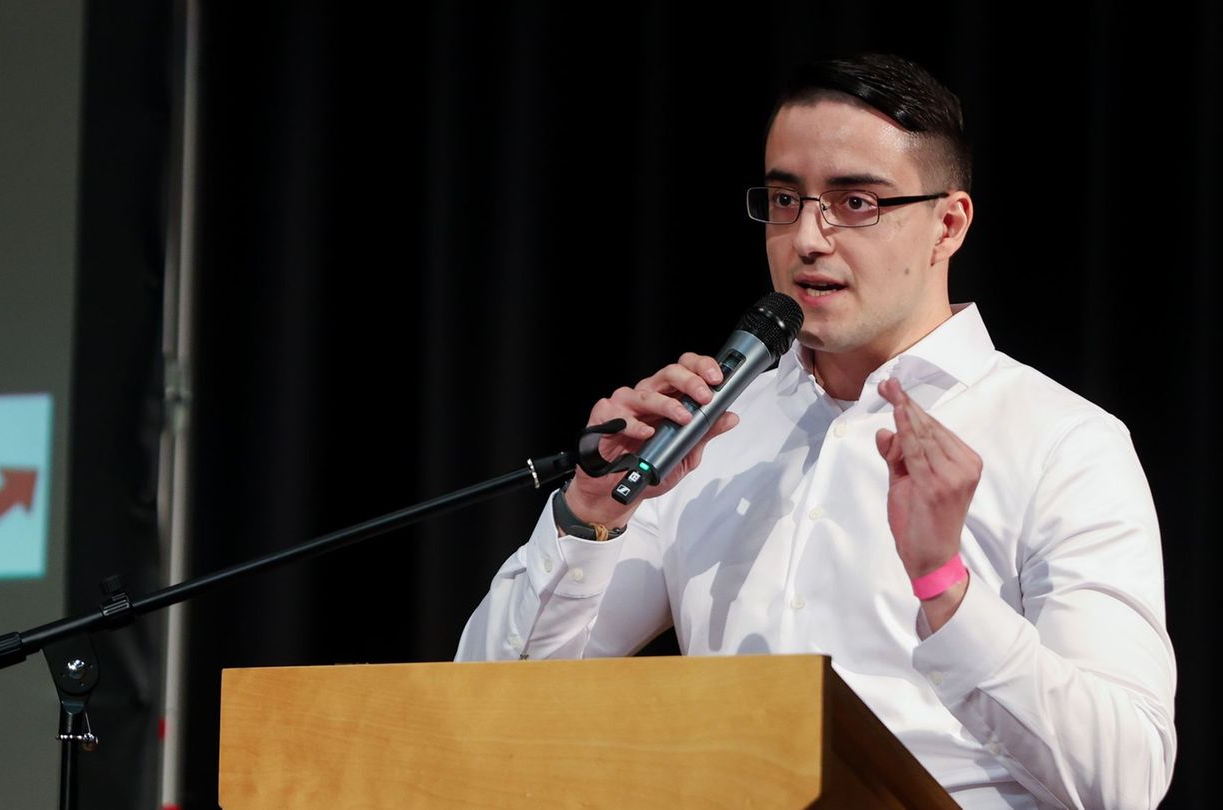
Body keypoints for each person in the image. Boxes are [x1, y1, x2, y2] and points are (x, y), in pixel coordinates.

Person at [455, 53, 1176, 809]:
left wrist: (946, 587)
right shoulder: (708, 435)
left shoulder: (1065, 443)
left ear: (948, 224)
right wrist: (590, 517)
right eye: (784, 199)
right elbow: (490, 706)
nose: (807, 238)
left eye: (855, 202)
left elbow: (1124, 779)